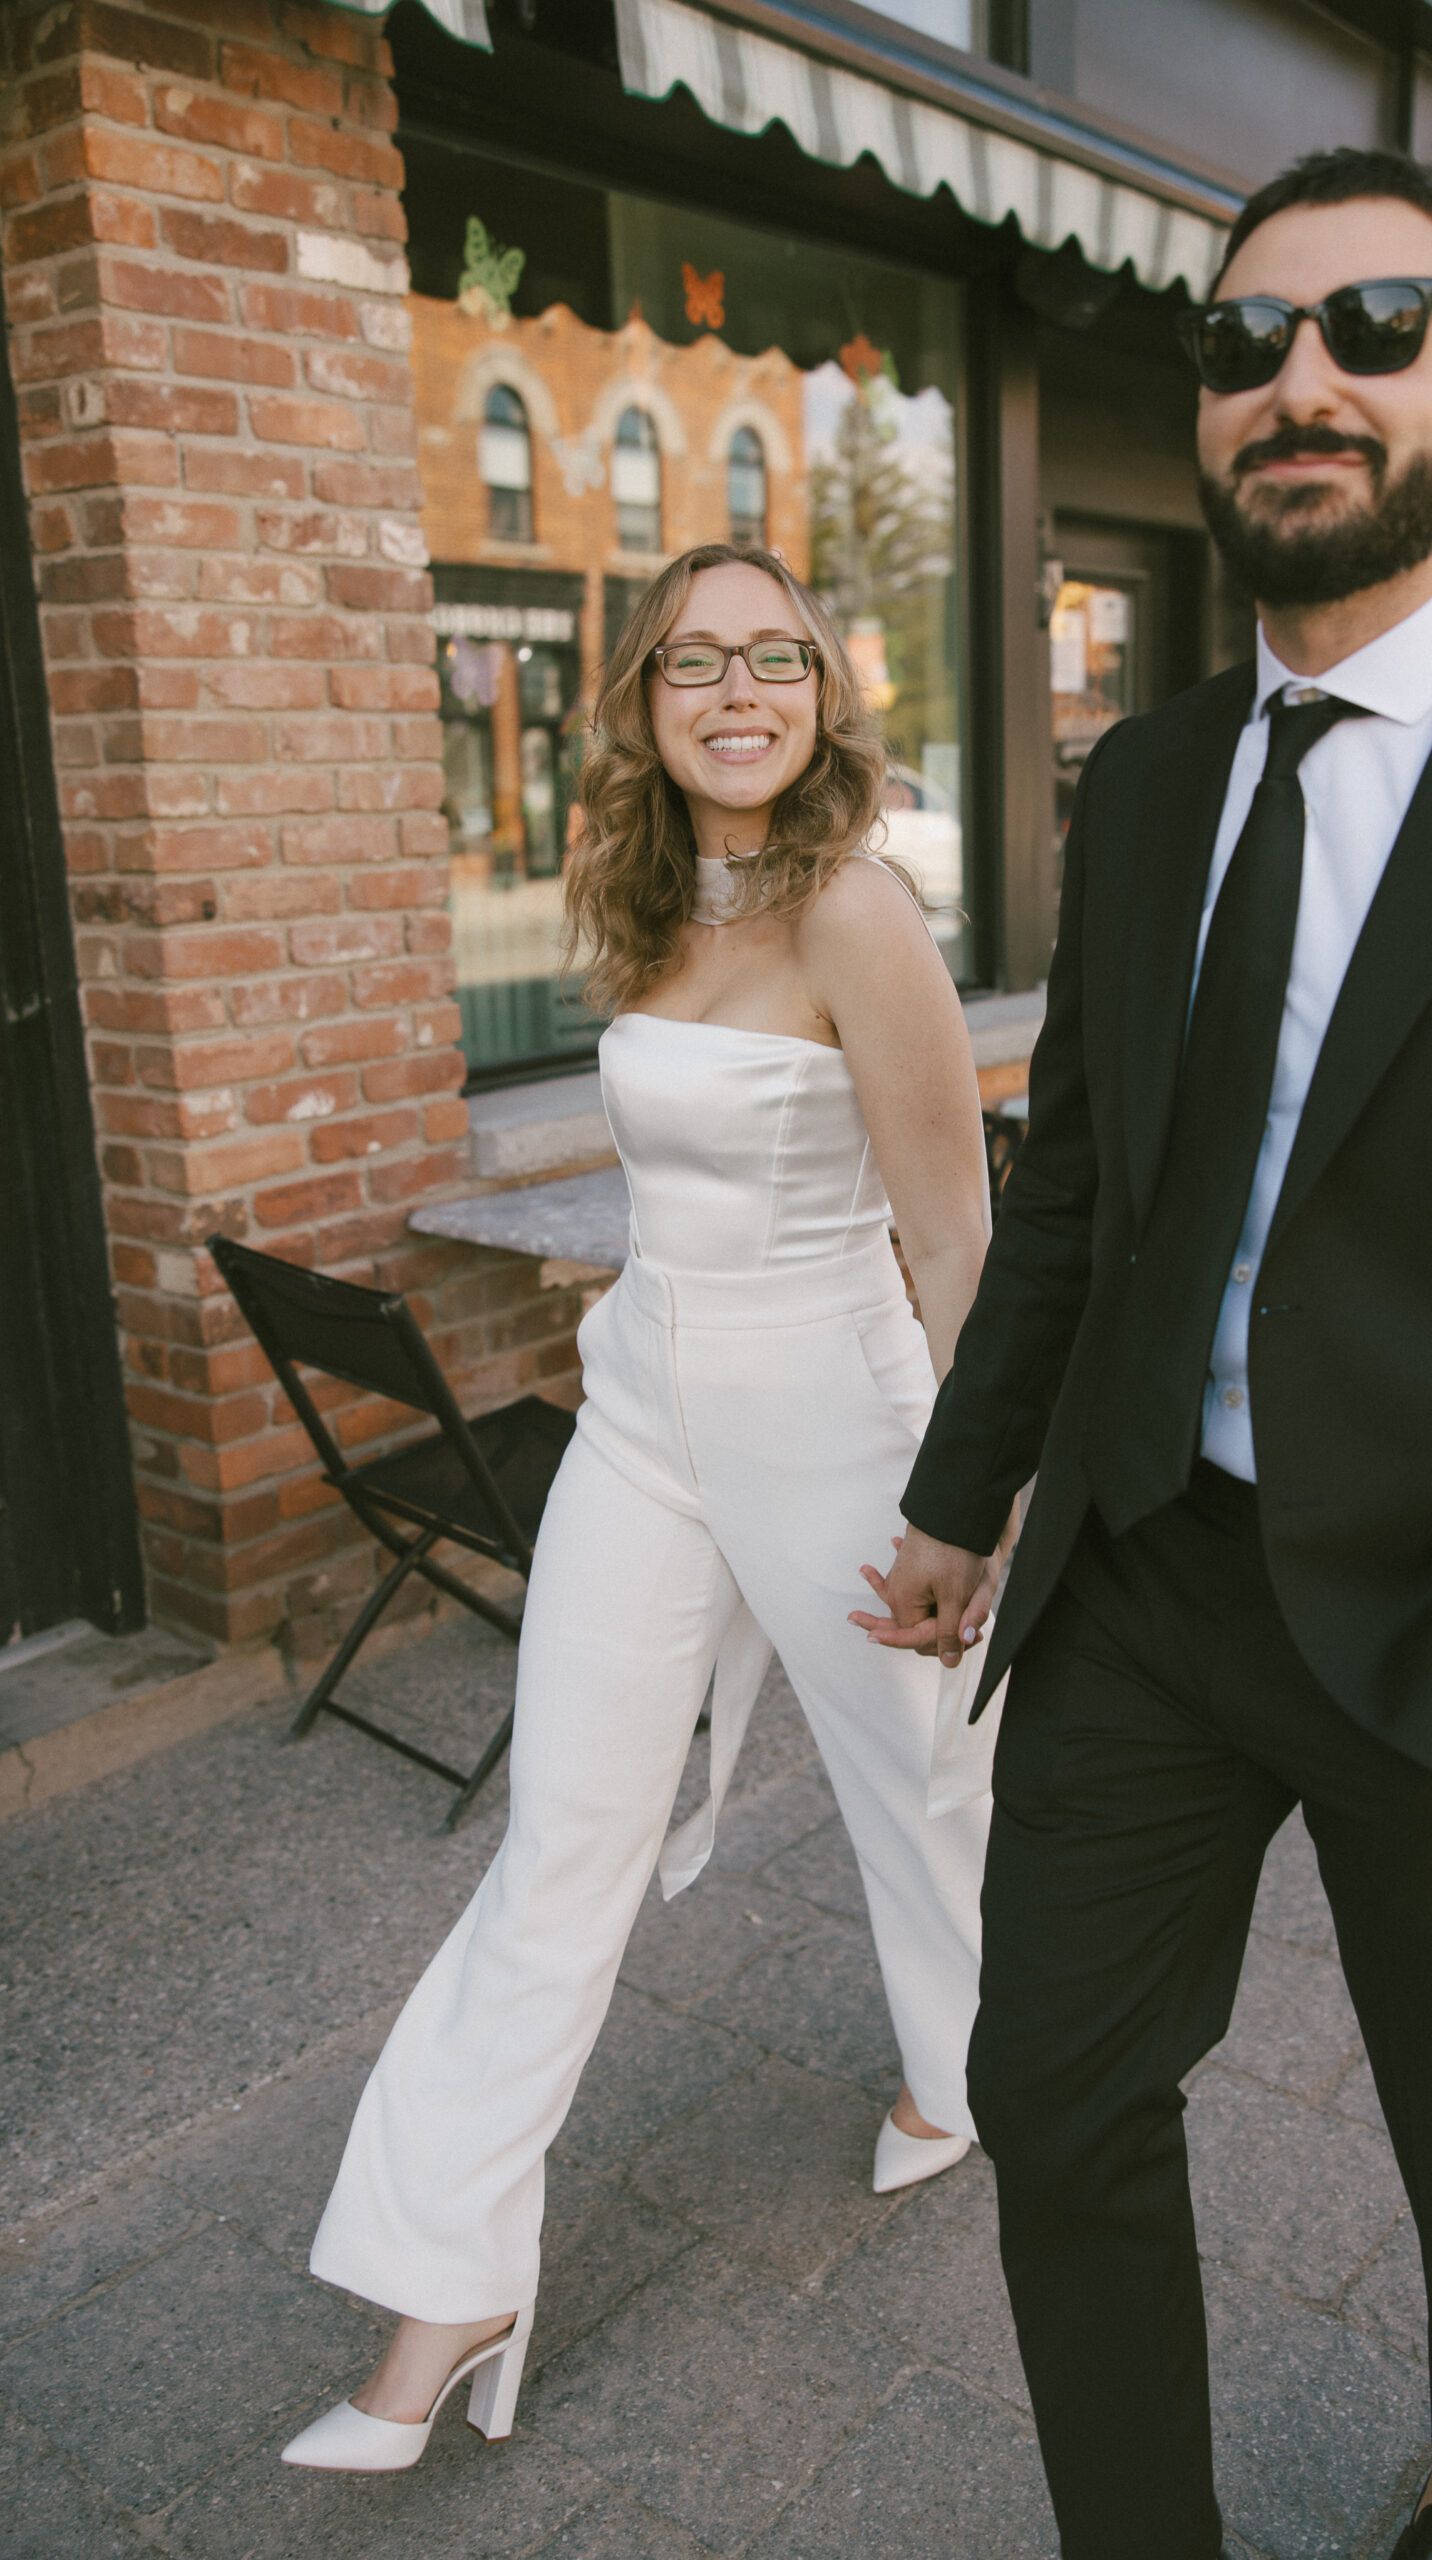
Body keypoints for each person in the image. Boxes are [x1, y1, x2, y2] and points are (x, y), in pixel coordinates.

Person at [857, 149, 1432, 2560]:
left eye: (1369, 325)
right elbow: (1087, 1202)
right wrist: (957, 1499)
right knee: (1052, 2083)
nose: (1295, 381)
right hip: (1146, 1572)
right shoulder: (1137, 780)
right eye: (1242, 343)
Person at [282, 542, 1005, 2474]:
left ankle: (965, 2078)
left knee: (919, 1777)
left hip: (841, 1415)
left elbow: (954, 1232)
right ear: (646, 703)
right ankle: (452, 2276)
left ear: (827, 697)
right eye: (698, 663)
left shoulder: (860, 912)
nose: (740, 691)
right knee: (561, 1837)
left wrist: (979, 1499)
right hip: (642, 1409)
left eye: (779, 657)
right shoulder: (652, 893)